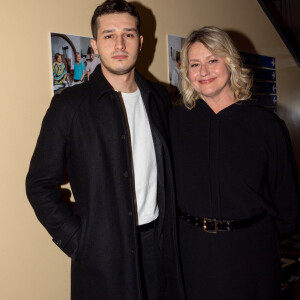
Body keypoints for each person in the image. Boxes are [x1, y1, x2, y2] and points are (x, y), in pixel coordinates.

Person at [26, 1, 185, 299]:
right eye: (109, 35)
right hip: (103, 255)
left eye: (128, 33)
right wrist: (78, 241)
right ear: (96, 45)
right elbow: (38, 185)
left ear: (140, 42)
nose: (120, 43)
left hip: (158, 249)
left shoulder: (159, 98)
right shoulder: (69, 105)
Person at [169, 26, 300, 300]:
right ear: (187, 72)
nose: (204, 72)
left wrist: (257, 236)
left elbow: (288, 205)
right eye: (195, 64)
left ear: (230, 62)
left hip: (251, 254)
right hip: (192, 253)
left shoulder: (267, 126)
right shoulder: (174, 124)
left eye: (212, 60)